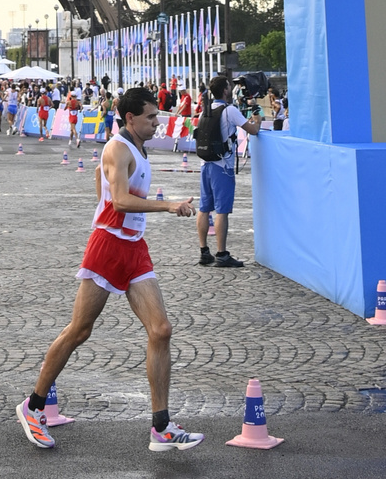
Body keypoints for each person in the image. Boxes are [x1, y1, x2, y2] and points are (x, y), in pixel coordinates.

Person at [16, 87, 203, 452]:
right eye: (150, 117)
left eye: (157, 116)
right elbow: (118, 201)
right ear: (131, 118)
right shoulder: (118, 147)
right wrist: (167, 206)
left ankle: (161, 427)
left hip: (134, 247)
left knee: (161, 330)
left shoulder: (137, 149)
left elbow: (102, 188)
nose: (157, 122)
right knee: (79, 330)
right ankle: (33, 406)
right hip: (108, 245)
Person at [197, 76, 261, 267]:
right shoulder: (229, 110)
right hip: (222, 166)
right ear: (225, 91)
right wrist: (256, 116)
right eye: (230, 87)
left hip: (205, 164)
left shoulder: (205, 110)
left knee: (204, 208)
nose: (232, 90)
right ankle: (222, 254)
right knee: (222, 211)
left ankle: (204, 252)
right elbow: (253, 130)